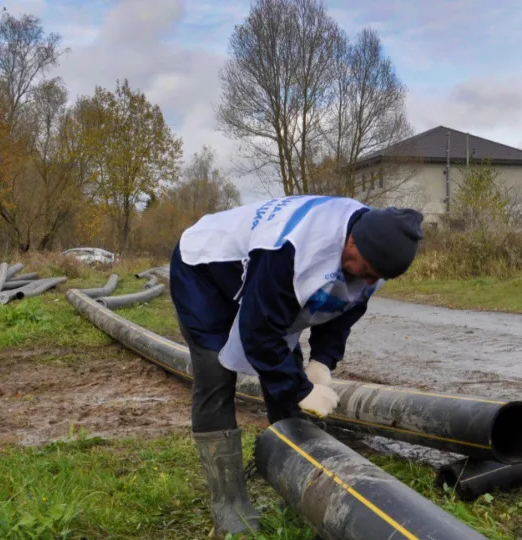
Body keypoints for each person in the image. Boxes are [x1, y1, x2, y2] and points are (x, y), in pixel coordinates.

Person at [169, 195, 424, 537]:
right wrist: (300, 389)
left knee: (287, 366)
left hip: (262, 280)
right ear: (352, 242)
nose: (368, 281)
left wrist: (322, 361)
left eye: (376, 278)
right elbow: (259, 332)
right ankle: (229, 504)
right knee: (216, 374)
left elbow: (342, 308)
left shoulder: (371, 260)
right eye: (367, 271)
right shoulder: (291, 249)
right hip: (205, 270)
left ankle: (292, 481)